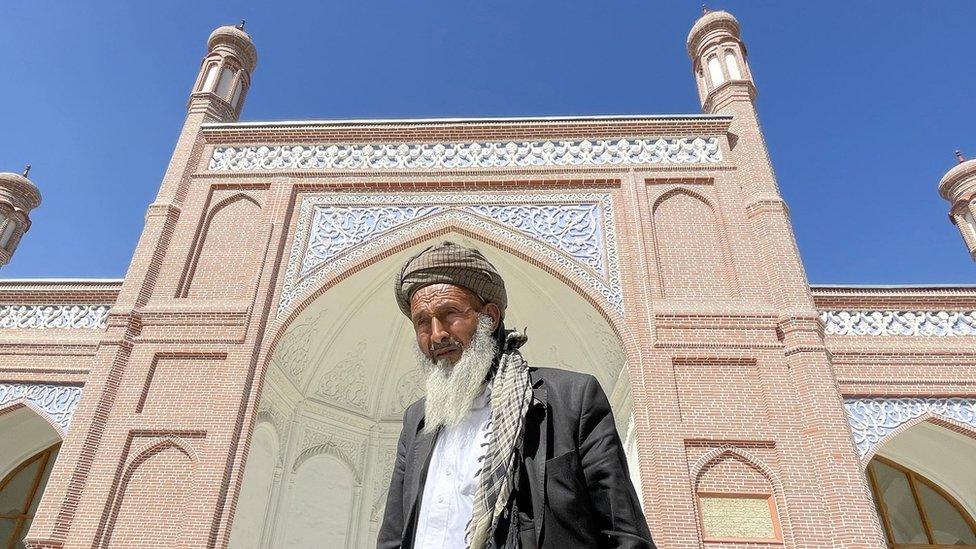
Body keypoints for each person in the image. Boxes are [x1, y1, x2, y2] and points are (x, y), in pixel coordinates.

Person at [377, 241, 655, 549]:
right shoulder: (419, 419)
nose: (437, 333)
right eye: (422, 322)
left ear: (490, 317)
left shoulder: (570, 400)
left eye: (450, 313)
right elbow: (394, 535)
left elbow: (624, 535)